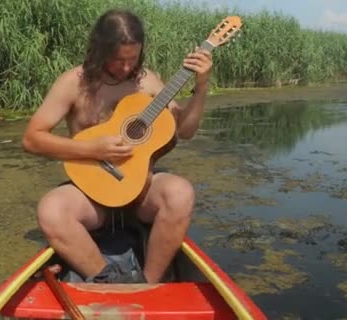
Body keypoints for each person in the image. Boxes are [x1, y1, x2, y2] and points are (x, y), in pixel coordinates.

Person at [22, 8, 212, 284]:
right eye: (117, 60)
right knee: (51, 210)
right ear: (99, 50)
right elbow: (32, 139)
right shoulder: (74, 83)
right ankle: (108, 279)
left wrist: (202, 86)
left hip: (140, 189)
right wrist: (92, 149)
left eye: (132, 59)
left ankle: (148, 283)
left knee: (180, 193)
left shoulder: (146, 81)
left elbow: (185, 130)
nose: (125, 67)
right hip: (92, 192)